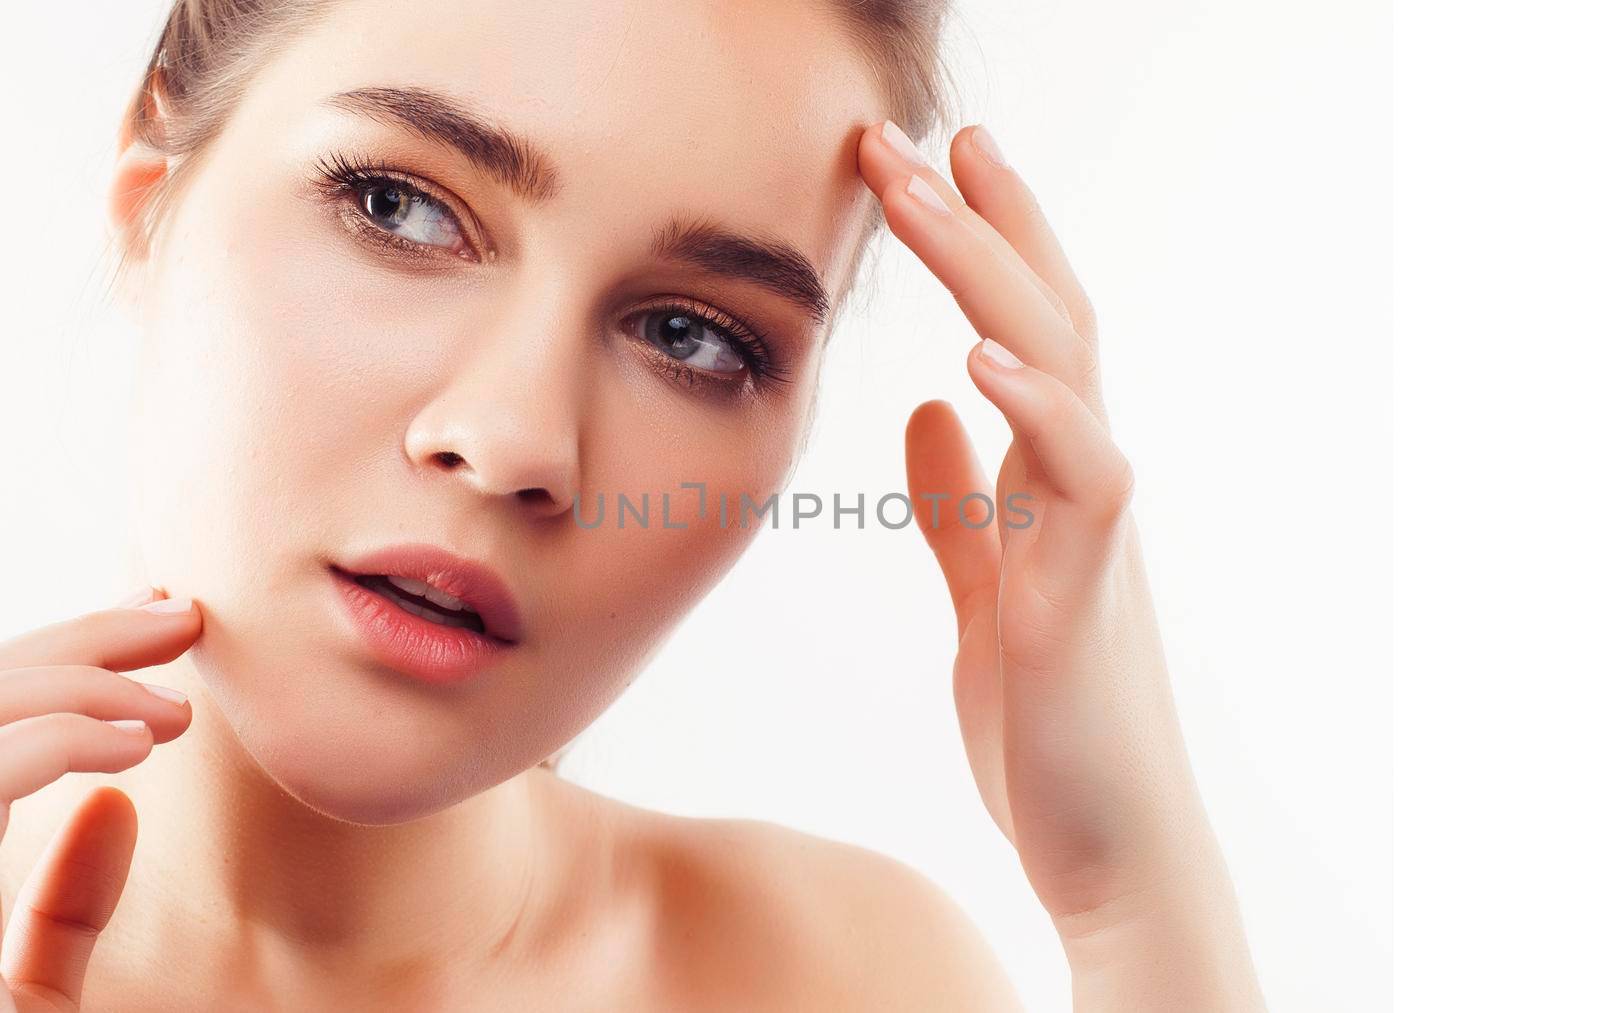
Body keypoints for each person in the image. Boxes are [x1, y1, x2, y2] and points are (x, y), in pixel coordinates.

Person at [0, 0, 1265, 1008]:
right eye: (401, 208)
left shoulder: (842, 982)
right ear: (151, 193)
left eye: (690, 334)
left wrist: (1134, 898)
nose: (513, 442)